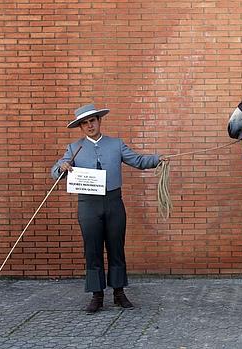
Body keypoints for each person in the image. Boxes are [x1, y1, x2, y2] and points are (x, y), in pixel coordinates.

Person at [51, 103, 167, 313]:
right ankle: (97, 295)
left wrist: (157, 159)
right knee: (92, 249)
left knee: (116, 247)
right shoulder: (74, 148)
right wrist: (62, 167)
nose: (89, 126)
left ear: (99, 121)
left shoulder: (116, 144)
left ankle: (119, 292)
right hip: (88, 205)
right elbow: (55, 171)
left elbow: (138, 160)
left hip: (114, 202)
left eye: (92, 121)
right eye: (85, 123)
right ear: (81, 127)